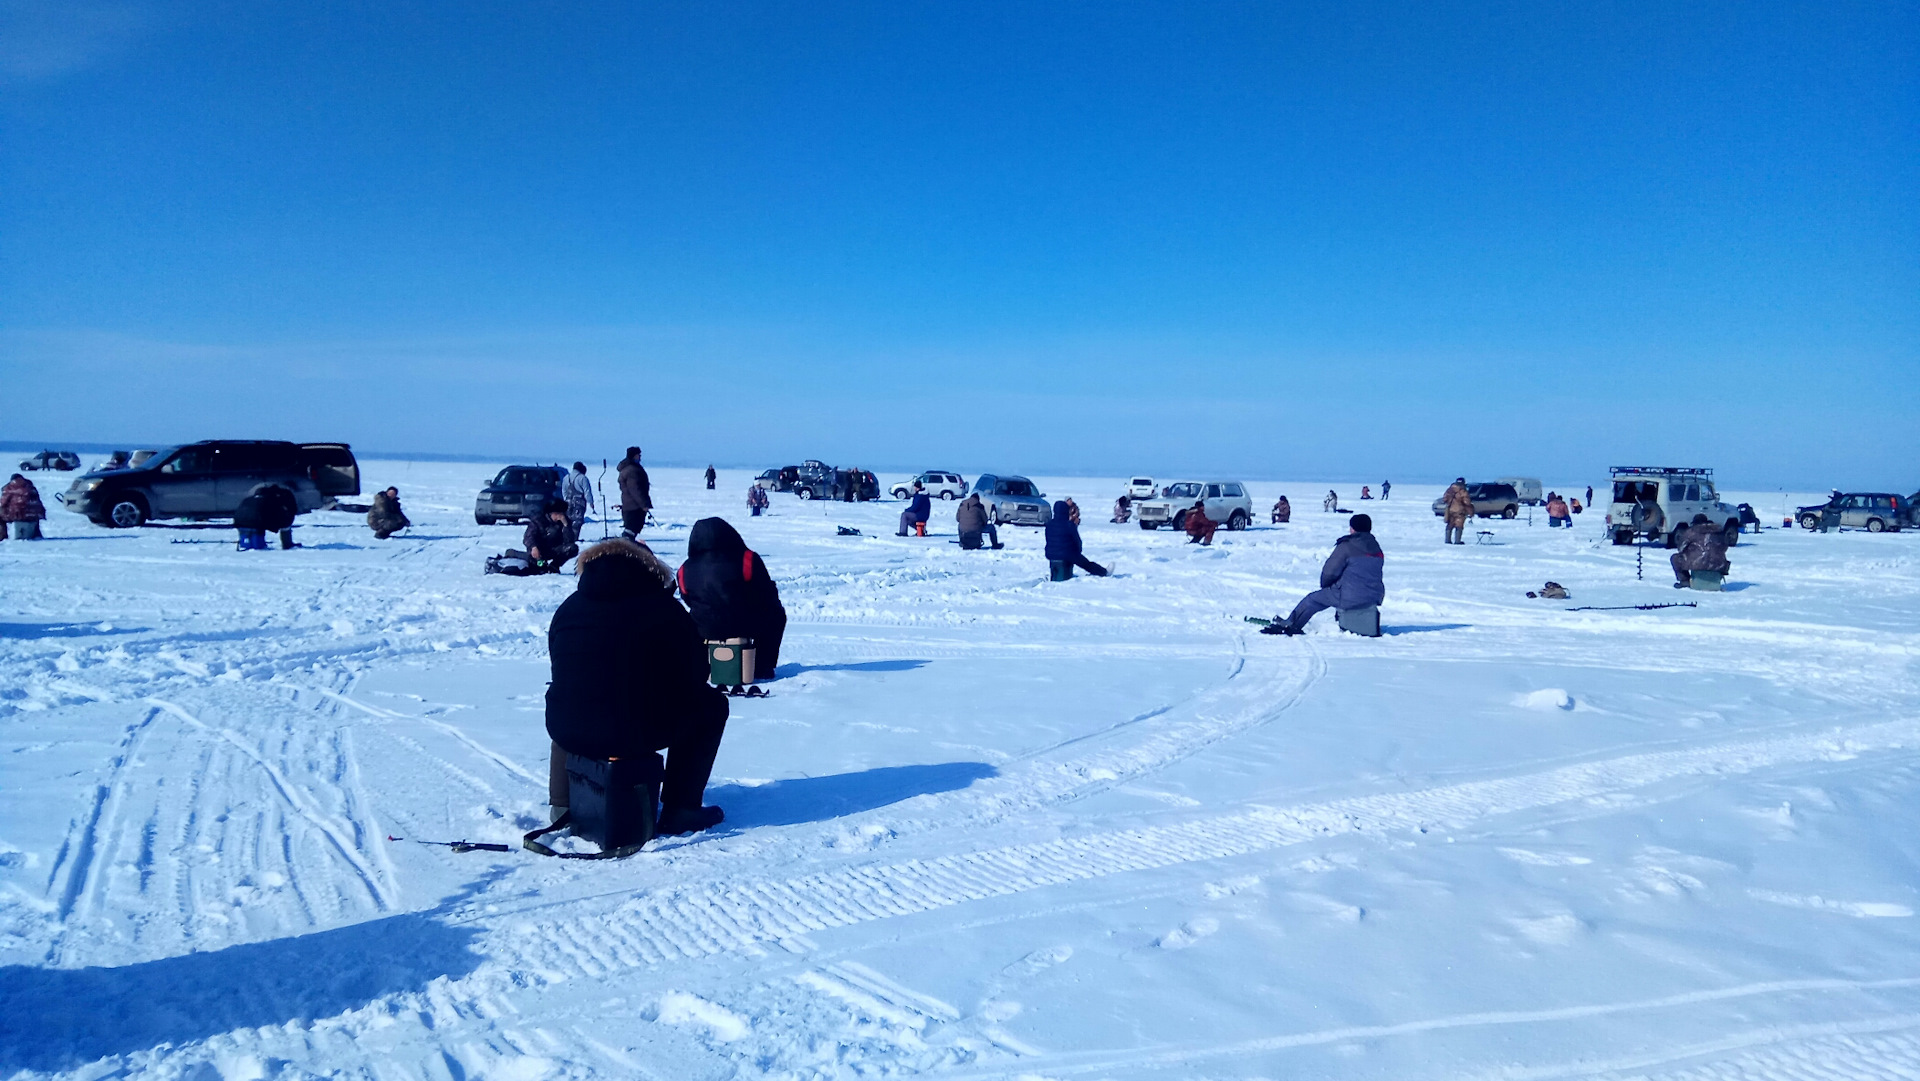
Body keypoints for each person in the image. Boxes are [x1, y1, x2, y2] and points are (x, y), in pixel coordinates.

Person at [545, 539, 727, 836]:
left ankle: (563, 803)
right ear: (650, 570)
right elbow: (697, 674)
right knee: (711, 705)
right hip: (636, 732)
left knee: (572, 696)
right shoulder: (666, 609)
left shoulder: (568, 608)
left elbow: (560, 666)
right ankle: (681, 807)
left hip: (568, 728)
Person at [677, 518, 787, 682]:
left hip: (704, 628)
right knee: (776, 615)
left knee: (688, 622)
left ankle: (701, 664)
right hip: (743, 625)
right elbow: (766, 592)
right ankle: (762, 665)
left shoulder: (684, 568)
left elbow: (687, 598)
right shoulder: (747, 559)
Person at [1261, 514, 1385, 635]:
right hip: (1374, 596)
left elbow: (1329, 572)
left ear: (1353, 528)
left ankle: (1292, 624)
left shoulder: (1346, 546)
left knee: (1312, 600)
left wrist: (1326, 586)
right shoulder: (1376, 548)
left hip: (1349, 595)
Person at [1044, 499, 1108, 580]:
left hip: (1051, 554)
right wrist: (1078, 551)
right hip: (1067, 554)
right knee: (1086, 564)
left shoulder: (1049, 524)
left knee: (1056, 568)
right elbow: (1077, 541)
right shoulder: (1069, 525)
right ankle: (1103, 572)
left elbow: (1048, 539)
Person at [1671, 514, 1731, 588]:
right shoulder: (1719, 531)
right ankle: (1714, 580)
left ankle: (1685, 581)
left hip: (1697, 562)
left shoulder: (1691, 531)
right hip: (1718, 564)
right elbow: (1725, 547)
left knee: (1675, 558)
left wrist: (1689, 551)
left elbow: (1681, 548)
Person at [233, 485, 298, 550]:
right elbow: (277, 515)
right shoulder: (271, 500)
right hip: (255, 522)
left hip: (239, 522)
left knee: (247, 533)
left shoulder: (248, 499)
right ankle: (287, 544)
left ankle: (246, 544)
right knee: (285, 525)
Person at [524, 499, 580, 572]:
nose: (558, 517)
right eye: (556, 514)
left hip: (554, 548)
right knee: (538, 568)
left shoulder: (564, 522)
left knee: (573, 548)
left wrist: (566, 526)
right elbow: (528, 537)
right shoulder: (538, 521)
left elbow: (569, 540)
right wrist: (533, 547)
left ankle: (554, 565)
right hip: (538, 550)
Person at [617, 447, 652, 538]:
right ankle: (625, 548)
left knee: (631, 531)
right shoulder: (632, 470)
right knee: (631, 531)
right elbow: (635, 490)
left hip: (630, 505)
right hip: (634, 507)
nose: (640, 457)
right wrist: (643, 504)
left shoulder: (629, 469)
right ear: (634, 456)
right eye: (638, 455)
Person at [1, 474, 47, 540]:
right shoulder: (31, 487)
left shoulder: (9, 487)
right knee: (33, 512)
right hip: (35, 514)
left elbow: (3, 503)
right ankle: (36, 534)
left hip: (18, 513)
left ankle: (2, 536)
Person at [562, 462, 595, 541]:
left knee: (568, 521)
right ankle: (574, 538)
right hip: (579, 503)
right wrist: (590, 502)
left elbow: (564, 491)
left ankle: (567, 538)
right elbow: (587, 491)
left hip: (568, 503)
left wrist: (566, 500)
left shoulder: (566, 477)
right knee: (577, 522)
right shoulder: (583, 478)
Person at [1441, 478, 1473, 544]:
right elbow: (1467, 502)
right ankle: (1457, 541)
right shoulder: (1463, 491)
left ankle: (1447, 540)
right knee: (1459, 526)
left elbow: (1444, 499)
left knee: (1449, 525)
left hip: (1450, 510)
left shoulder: (1450, 490)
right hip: (1460, 511)